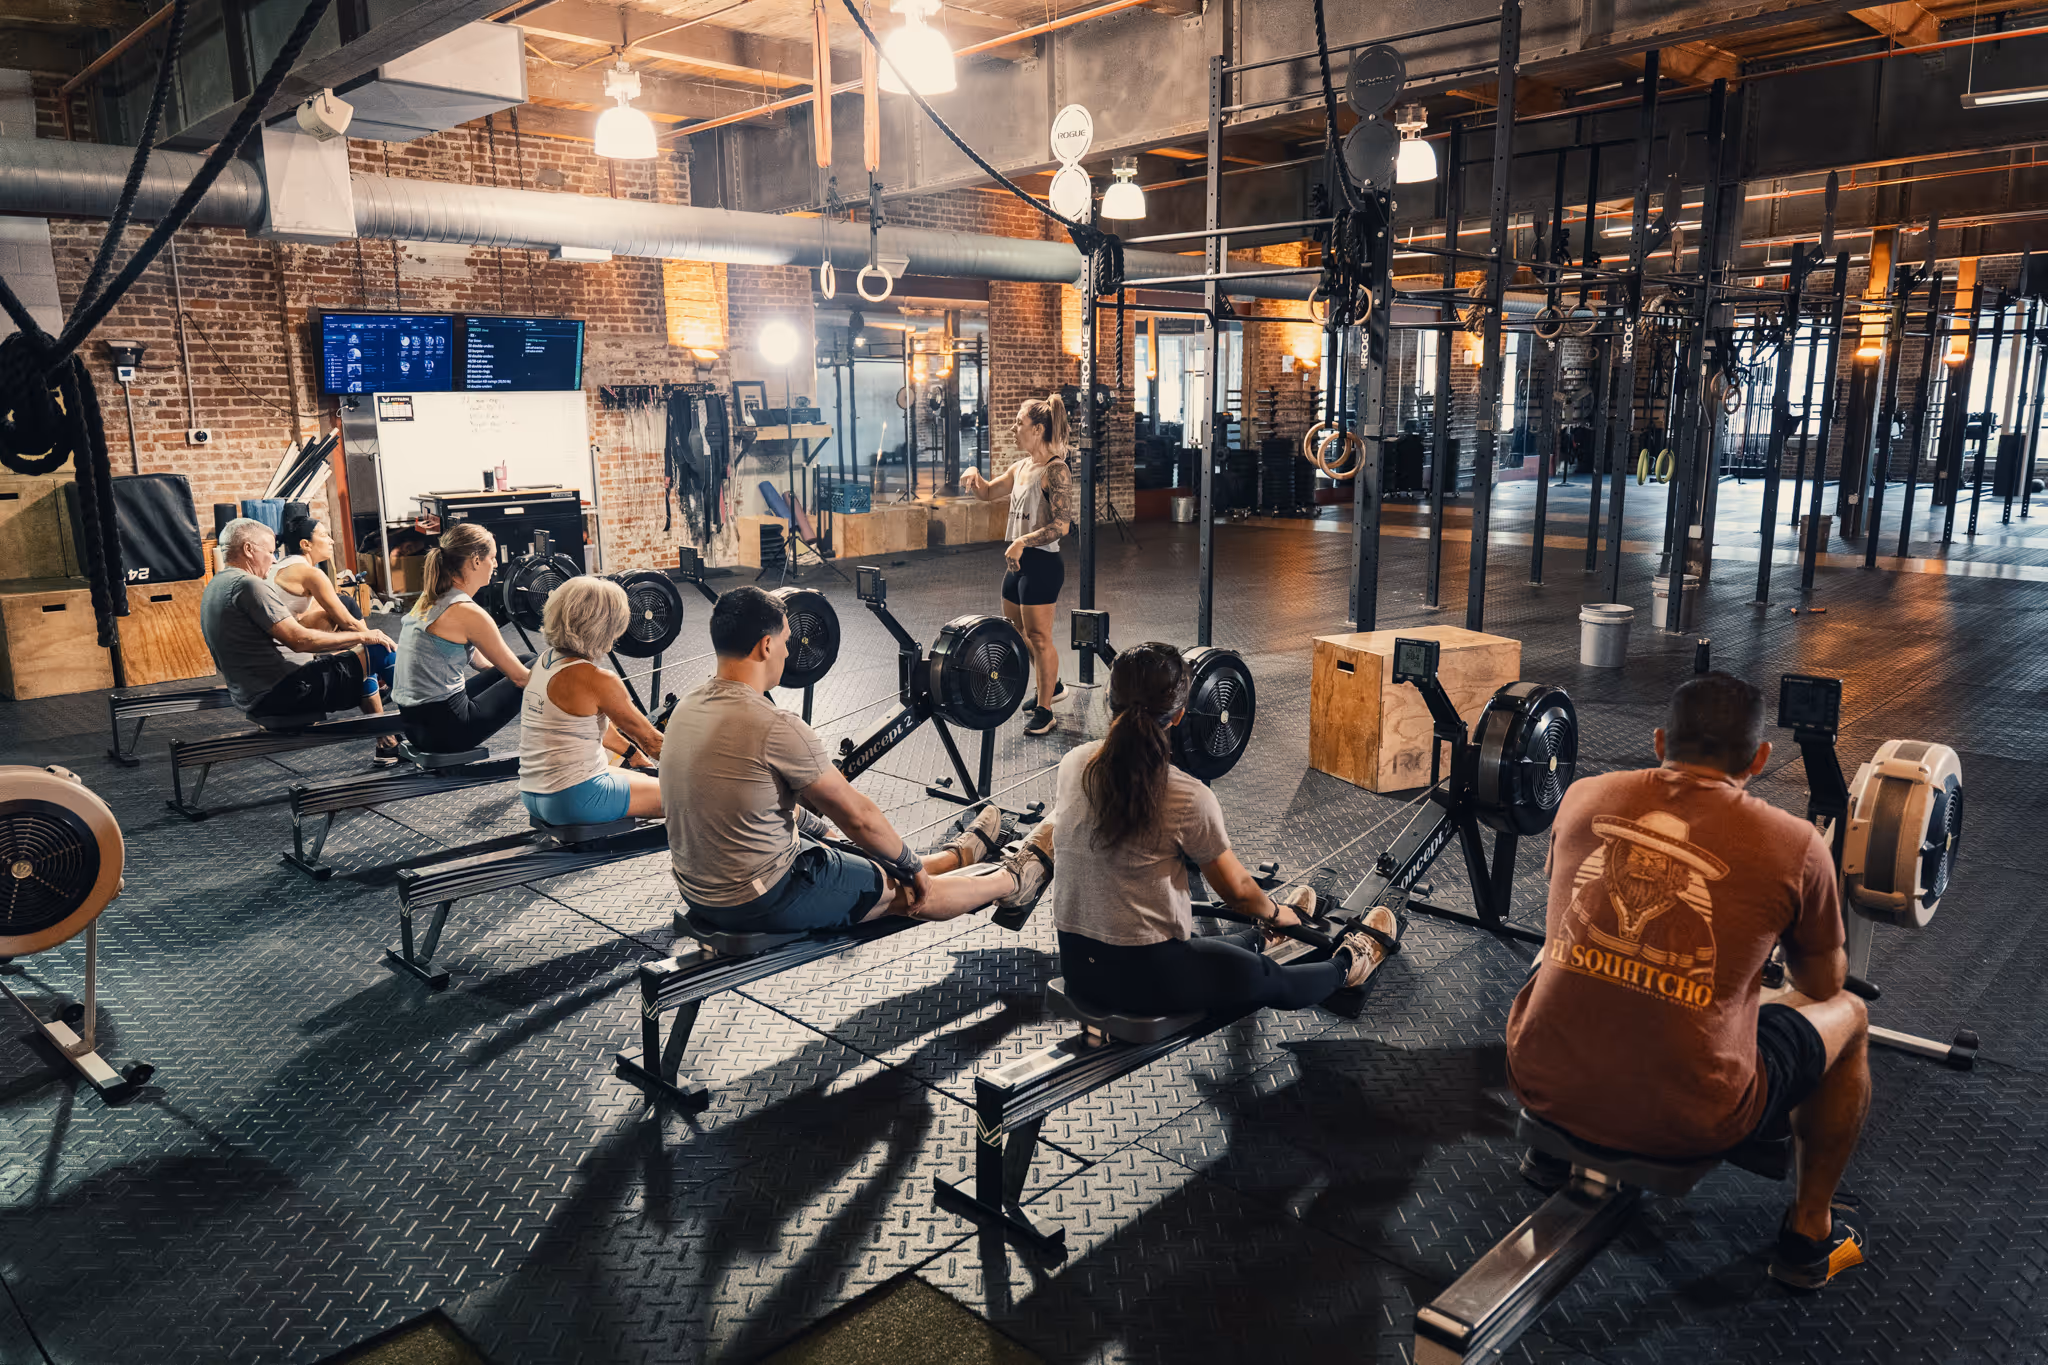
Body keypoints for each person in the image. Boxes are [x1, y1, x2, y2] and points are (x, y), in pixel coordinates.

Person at [1505, 671, 1870, 1291]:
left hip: (1535, 1081)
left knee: (1557, 949)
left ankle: (1551, 1150)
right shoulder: (1797, 844)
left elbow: (1563, 900)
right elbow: (1823, 980)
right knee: (1851, 1016)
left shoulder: (1583, 795)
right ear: (1759, 758)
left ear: (1657, 743)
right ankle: (1809, 1235)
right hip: (1692, 1122)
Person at [662, 584, 1052, 935]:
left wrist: (824, 834)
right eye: (786, 639)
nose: (788, 650)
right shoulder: (774, 725)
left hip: (697, 891)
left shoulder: (686, 707)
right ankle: (1014, 880)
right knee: (909, 893)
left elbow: (745, 797)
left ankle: (955, 857)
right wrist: (913, 870)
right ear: (765, 646)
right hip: (761, 897)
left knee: (863, 853)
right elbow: (858, 817)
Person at [1051, 642, 1398, 1015]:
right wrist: (1276, 912)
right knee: (1270, 979)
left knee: (1221, 953)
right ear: (1182, 713)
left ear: (1109, 698)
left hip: (1078, 969)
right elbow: (1239, 893)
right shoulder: (1186, 795)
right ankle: (1351, 963)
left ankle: (1258, 938)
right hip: (1148, 981)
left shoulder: (1075, 763)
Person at [200, 517, 396, 736]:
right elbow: (300, 641)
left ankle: (387, 743)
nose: (274, 561)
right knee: (380, 650)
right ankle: (427, 729)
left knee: (358, 658)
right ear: (248, 549)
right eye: (270, 552)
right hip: (285, 695)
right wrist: (365, 637)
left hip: (252, 697)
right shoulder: (249, 585)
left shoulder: (215, 585)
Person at [961, 395, 1074, 738]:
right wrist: (975, 478)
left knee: (1040, 637)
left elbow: (1063, 525)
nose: (1014, 429)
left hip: (1042, 564)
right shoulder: (1022, 467)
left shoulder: (1056, 470)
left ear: (1038, 429)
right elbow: (988, 493)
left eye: (1019, 424)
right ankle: (1050, 685)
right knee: (1017, 632)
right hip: (1017, 563)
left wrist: (1024, 540)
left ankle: (1046, 709)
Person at [517, 576, 665, 824]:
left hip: (533, 795)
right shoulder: (597, 679)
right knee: (693, 796)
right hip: (576, 798)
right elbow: (654, 743)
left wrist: (632, 754)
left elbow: (587, 727)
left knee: (655, 782)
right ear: (606, 626)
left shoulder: (542, 662)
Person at [393, 522, 531, 754]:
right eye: (493, 557)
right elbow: (521, 679)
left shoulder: (433, 598)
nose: (496, 564)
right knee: (537, 668)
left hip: (415, 724)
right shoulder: (469, 613)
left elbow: (480, 661)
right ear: (476, 560)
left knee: (527, 658)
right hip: (447, 731)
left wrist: (502, 679)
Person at [270, 516, 365, 633]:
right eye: (324, 535)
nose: (332, 541)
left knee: (343, 601)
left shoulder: (285, 563)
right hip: (284, 639)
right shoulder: (312, 574)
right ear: (305, 545)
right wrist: (374, 637)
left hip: (276, 631)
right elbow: (348, 622)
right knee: (346, 609)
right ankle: (365, 649)